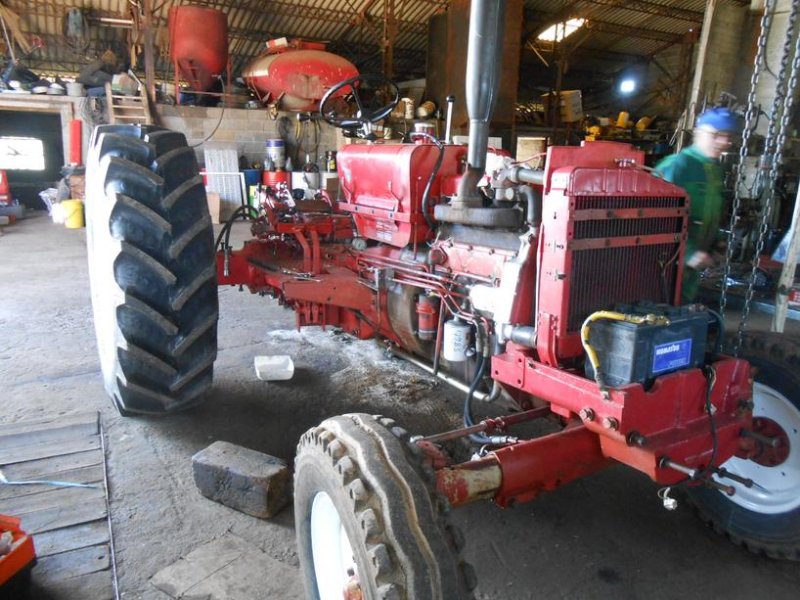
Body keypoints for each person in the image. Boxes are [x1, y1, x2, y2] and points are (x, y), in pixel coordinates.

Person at [654, 107, 738, 303]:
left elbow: (711, 211)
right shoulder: (677, 166)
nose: (723, 142)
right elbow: (655, 216)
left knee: (683, 311)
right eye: (716, 135)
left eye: (728, 136)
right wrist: (688, 252)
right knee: (662, 309)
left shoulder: (715, 170)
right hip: (667, 263)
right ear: (698, 133)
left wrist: (717, 242)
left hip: (692, 266)